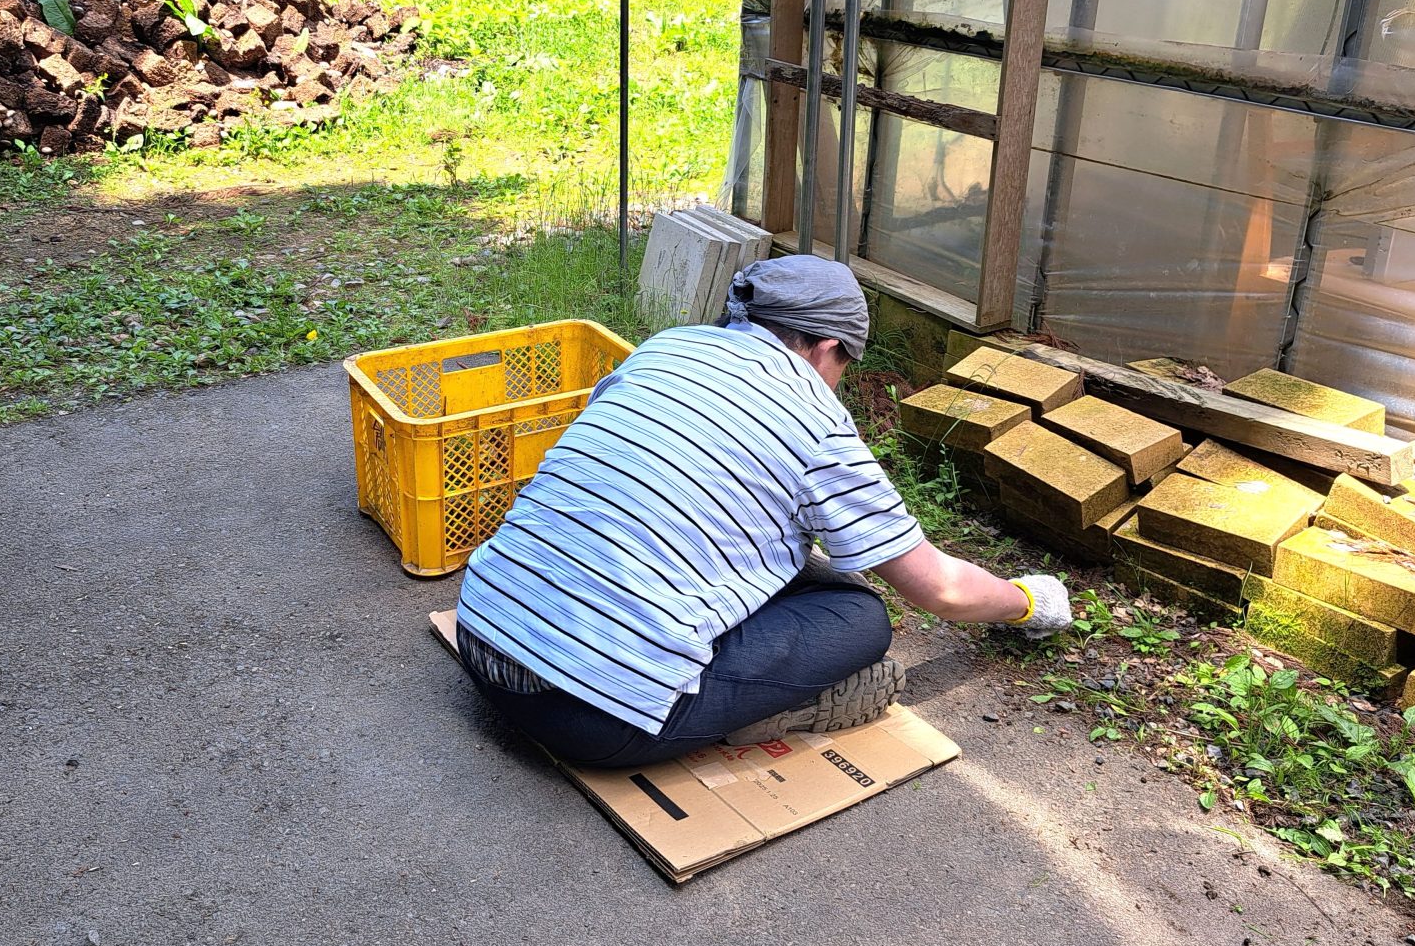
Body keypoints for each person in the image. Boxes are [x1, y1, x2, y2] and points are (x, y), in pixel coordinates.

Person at [454, 254, 1072, 769]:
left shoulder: (663, 349)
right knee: (858, 616)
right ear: (828, 346)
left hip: (482, 636)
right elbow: (940, 590)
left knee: (785, 559)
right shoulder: (818, 422)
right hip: (587, 718)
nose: (837, 382)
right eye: (843, 366)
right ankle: (777, 713)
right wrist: (1028, 601)